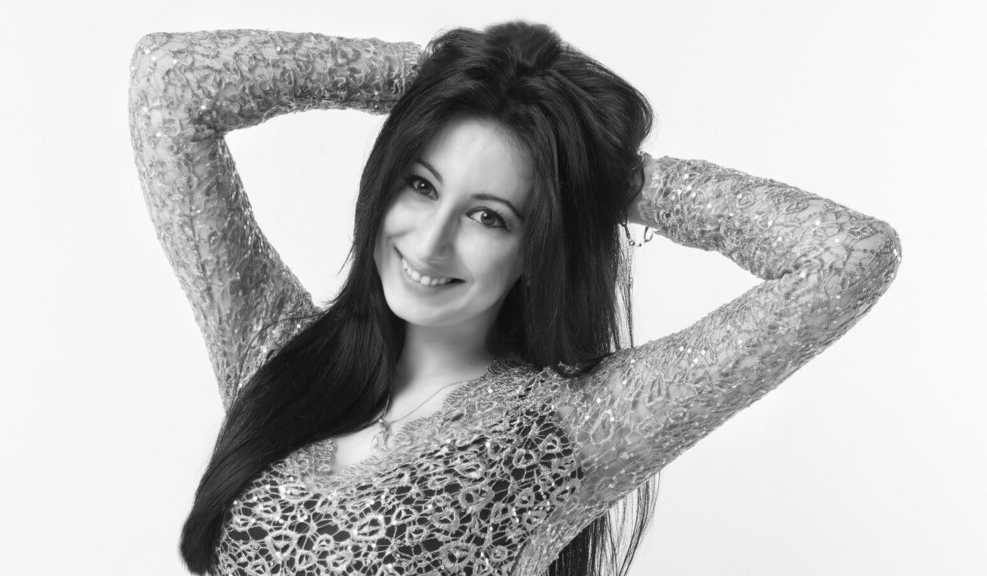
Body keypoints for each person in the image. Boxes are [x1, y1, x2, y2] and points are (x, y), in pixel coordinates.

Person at [127, 21, 902, 576]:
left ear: (539, 246)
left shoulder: (572, 427)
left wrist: (600, 170)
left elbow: (847, 256)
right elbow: (170, 81)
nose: (430, 242)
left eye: (488, 217)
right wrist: (436, 79)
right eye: (421, 185)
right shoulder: (278, 356)